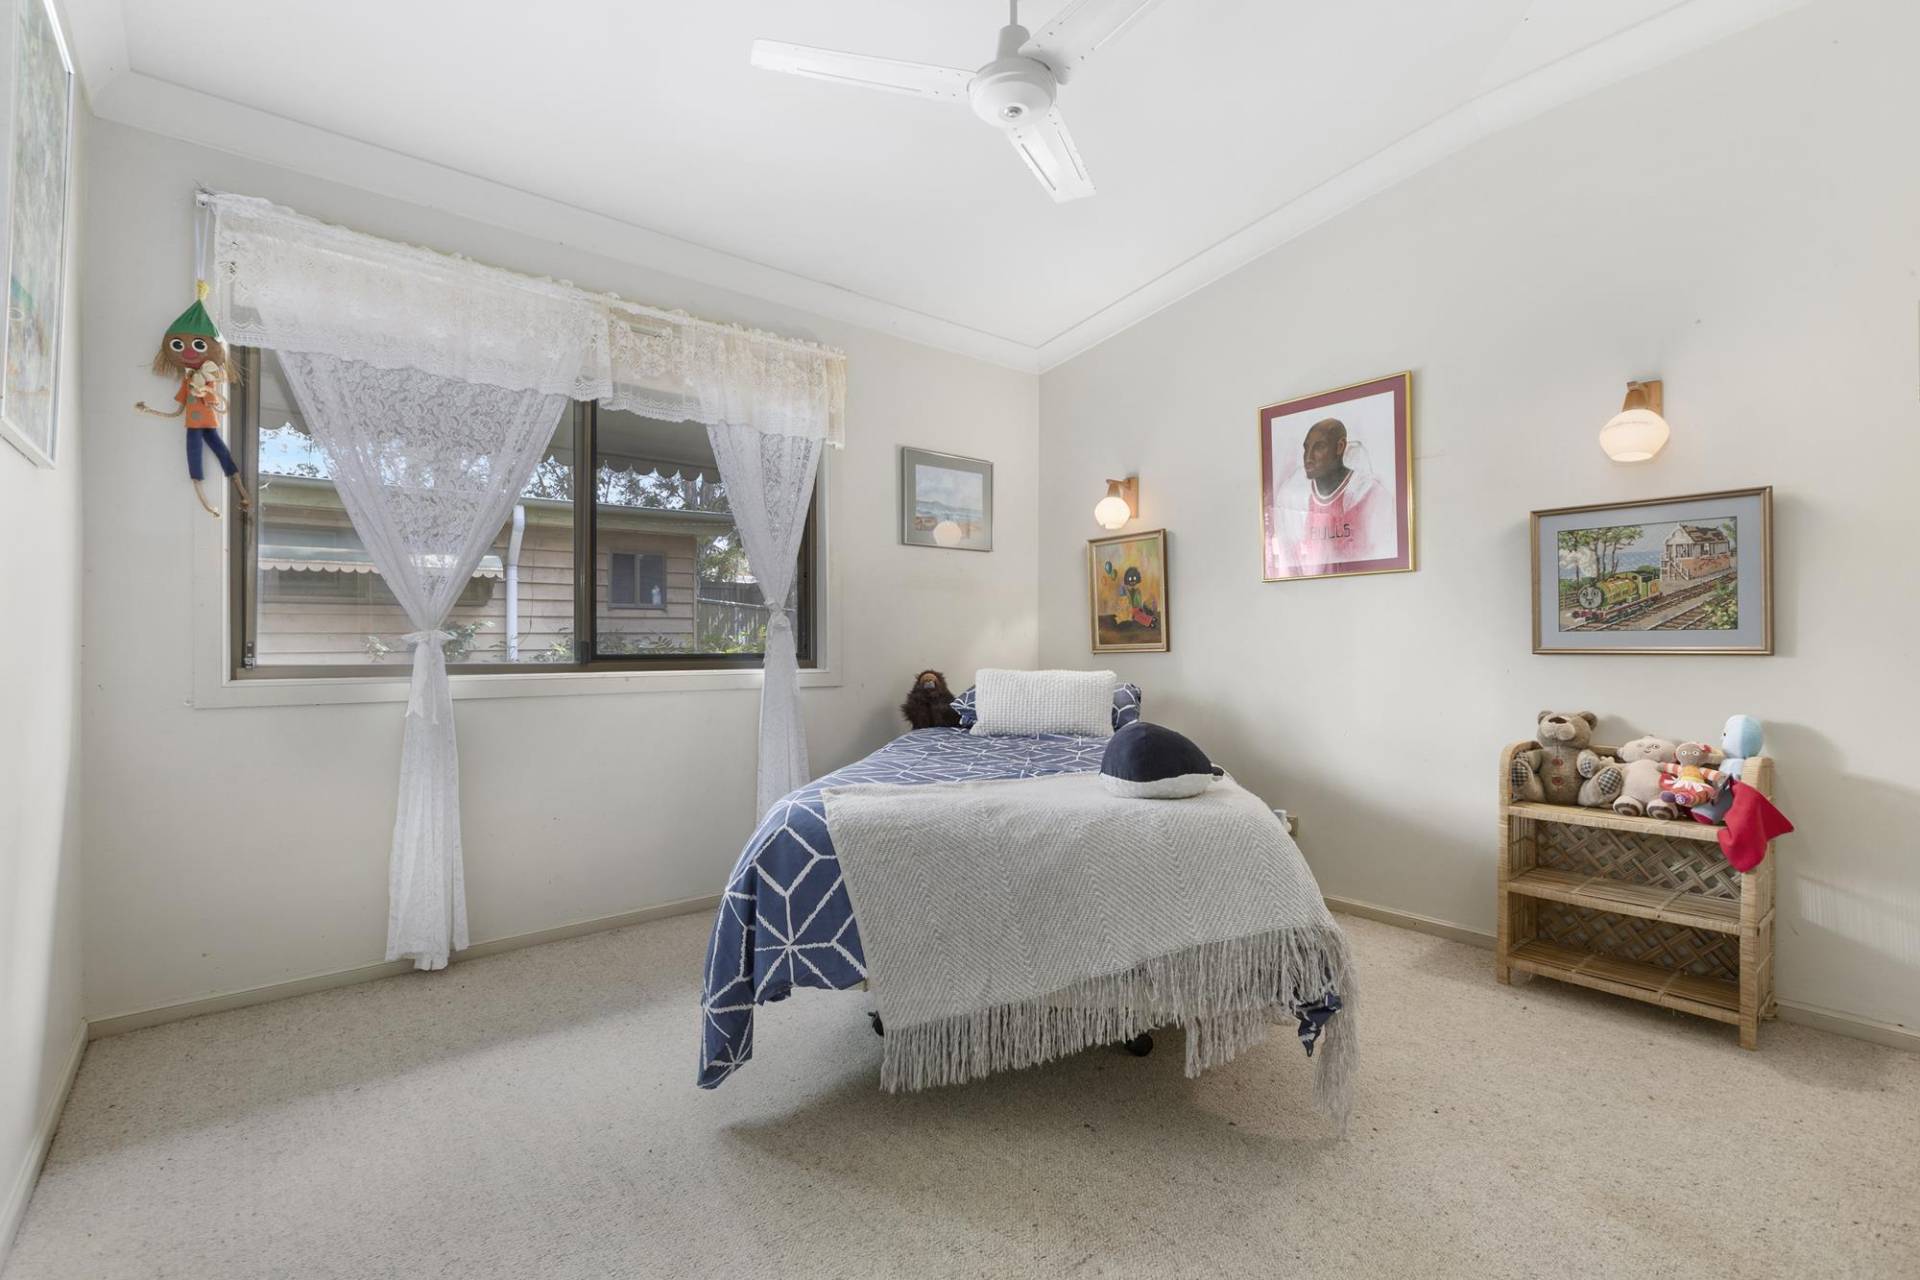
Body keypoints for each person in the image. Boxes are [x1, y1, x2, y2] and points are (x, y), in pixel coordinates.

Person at [1269, 416, 1394, 572]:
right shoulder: (1291, 497)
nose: (1308, 457)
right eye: (1306, 448)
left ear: (1340, 447)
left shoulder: (1371, 495)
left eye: (1319, 447)